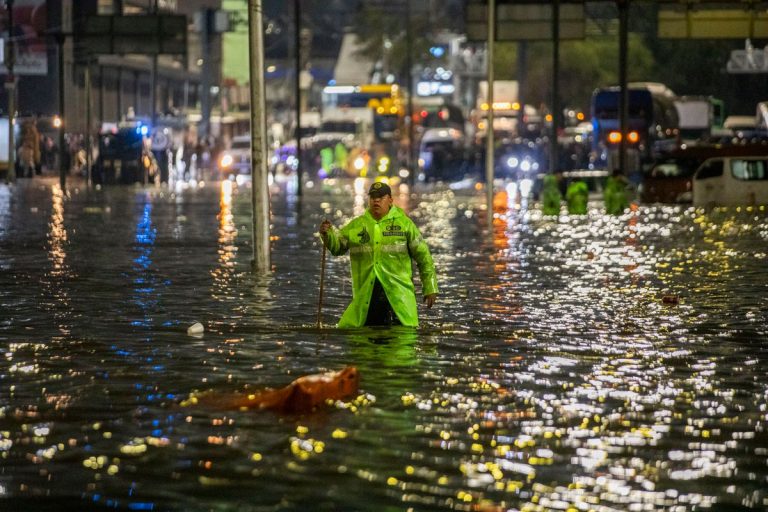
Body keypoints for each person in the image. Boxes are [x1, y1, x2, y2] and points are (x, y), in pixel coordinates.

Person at [319, 181, 438, 328]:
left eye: (381, 197)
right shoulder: (356, 225)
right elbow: (337, 247)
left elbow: (424, 257)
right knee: (366, 345)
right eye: (373, 197)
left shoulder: (405, 225)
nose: (376, 200)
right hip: (367, 299)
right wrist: (327, 234)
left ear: (390, 200)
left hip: (398, 299)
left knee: (399, 344)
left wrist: (430, 287)